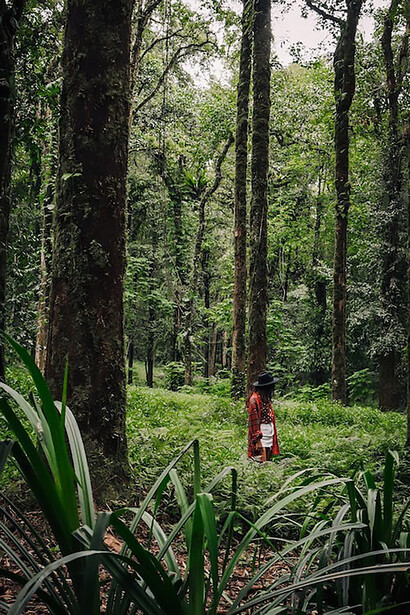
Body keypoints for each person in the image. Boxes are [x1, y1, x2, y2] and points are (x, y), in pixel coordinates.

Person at [247, 372, 280, 462]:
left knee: (268, 460)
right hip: (261, 434)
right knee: (261, 461)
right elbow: (253, 422)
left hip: (269, 431)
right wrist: (257, 440)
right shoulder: (254, 400)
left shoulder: (266, 398)